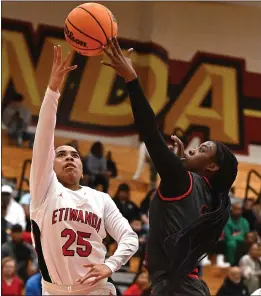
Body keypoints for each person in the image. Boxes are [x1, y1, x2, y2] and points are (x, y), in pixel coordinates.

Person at [102, 39, 238, 296]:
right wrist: (179, 167)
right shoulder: (210, 196)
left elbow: (150, 133)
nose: (192, 149)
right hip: (186, 287)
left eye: (201, 150)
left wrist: (131, 79)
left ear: (211, 167)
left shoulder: (183, 181)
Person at [29, 45, 138, 296]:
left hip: (96, 291)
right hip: (54, 291)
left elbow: (130, 238)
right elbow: (44, 138)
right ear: (50, 164)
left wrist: (110, 265)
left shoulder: (101, 199)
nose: (69, 158)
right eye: (61, 154)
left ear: (82, 166)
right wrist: (53, 90)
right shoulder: (44, 191)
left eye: (75, 155)